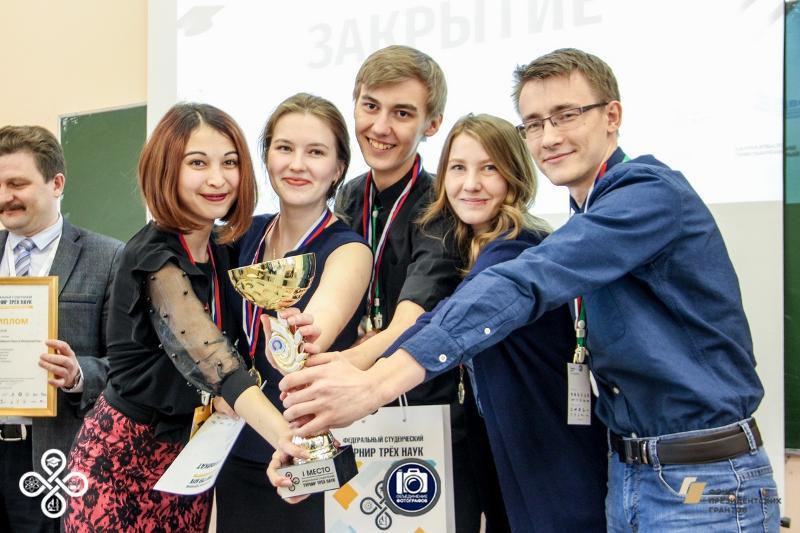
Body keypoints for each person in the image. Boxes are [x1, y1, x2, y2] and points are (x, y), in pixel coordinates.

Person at [278, 48, 781, 532]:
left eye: (566, 115)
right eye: (535, 123)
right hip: (630, 470)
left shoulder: (648, 194)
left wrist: (373, 385)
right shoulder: (580, 217)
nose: (549, 137)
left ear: (612, 115)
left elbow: (522, 281)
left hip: (700, 476)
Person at [63, 103, 307, 533]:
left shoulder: (223, 249)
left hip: (190, 463)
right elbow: (215, 362)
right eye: (198, 163)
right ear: (167, 169)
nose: (217, 179)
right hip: (123, 462)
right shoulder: (154, 257)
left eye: (229, 162)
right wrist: (288, 441)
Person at [332, 45, 508, 531]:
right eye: (370, 106)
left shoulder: (443, 202)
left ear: (432, 124)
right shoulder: (345, 197)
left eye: (402, 113)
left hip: (428, 423)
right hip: (353, 423)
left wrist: (331, 373)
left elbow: (411, 324)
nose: (380, 127)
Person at [214, 93, 371, 532]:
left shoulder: (348, 250)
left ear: (338, 168)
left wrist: (298, 333)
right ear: (267, 157)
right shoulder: (242, 236)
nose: (297, 165)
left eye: (315, 152)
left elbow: (314, 331)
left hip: (308, 454)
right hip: (238, 444)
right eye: (284, 148)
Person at [0, 125, 122, 533]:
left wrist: (78, 374)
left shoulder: (108, 257)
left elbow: (127, 366)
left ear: (56, 184)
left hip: (58, 460)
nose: (4, 196)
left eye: (16, 184)